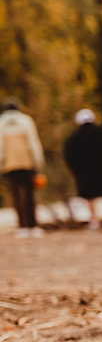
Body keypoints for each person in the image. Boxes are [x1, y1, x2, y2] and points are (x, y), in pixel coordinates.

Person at [64, 108, 102, 229]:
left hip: (86, 171)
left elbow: (69, 155)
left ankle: (94, 221)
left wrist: (75, 170)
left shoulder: (74, 137)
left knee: (89, 196)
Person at [0, 98, 46, 238]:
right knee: (30, 195)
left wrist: (1, 164)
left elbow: (0, 147)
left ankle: (22, 226)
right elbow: (33, 143)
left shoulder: (1, 123)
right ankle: (33, 225)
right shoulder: (26, 121)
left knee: (16, 196)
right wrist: (38, 162)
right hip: (27, 163)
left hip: (10, 164)